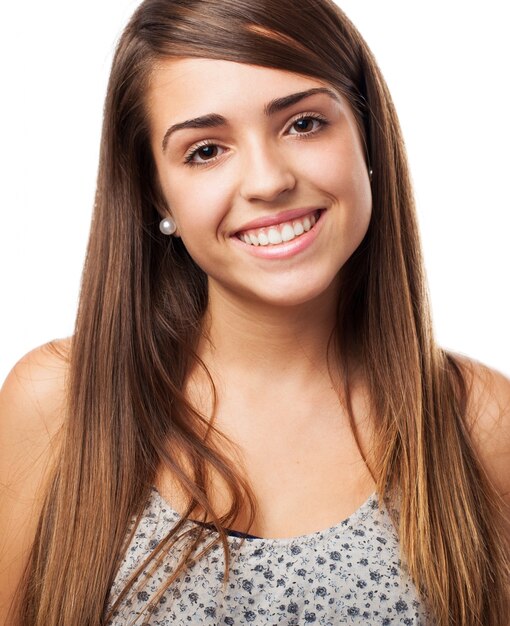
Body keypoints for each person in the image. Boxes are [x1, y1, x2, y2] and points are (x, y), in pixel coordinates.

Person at [1, 0, 509, 624]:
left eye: (303, 124)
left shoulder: (481, 422)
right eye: (206, 150)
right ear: (157, 193)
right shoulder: (58, 403)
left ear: (367, 136)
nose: (268, 181)